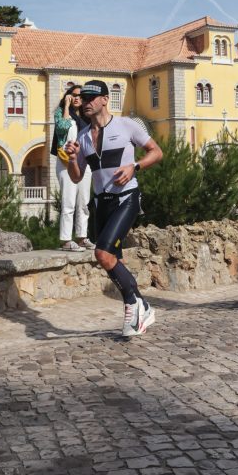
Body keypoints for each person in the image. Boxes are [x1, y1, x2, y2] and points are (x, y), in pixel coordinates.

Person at [65, 79, 163, 338]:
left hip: (126, 198)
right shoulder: (83, 137)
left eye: (90, 98)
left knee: (102, 254)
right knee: (112, 260)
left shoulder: (126, 125)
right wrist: (72, 159)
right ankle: (143, 306)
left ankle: (132, 304)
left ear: (105, 100)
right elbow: (76, 177)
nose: (85, 103)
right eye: (82, 99)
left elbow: (156, 152)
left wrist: (134, 167)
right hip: (102, 203)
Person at [52, 84, 92, 252]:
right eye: (74, 95)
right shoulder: (61, 113)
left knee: (84, 202)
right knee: (69, 202)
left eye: (80, 96)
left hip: (84, 162)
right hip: (66, 161)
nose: (77, 98)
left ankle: (82, 237)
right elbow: (62, 128)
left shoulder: (87, 116)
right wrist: (67, 107)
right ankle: (66, 240)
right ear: (68, 95)